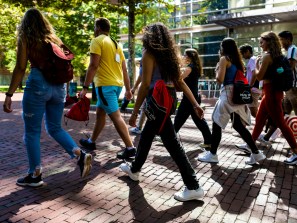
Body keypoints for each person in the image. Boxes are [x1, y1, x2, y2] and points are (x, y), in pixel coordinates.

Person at [2, 8, 92, 187]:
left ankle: (35, 174)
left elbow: (20, 68)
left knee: (32, 133)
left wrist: (9, 94)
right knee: (54, 127)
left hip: (38, 86)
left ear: (25, 24)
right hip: (58, 88)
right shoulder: (54, 39)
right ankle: (78, 154)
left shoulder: (27, 38)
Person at [119, 22, 204, 202]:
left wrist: (134, 113)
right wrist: (196, 104)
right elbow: (180, 83)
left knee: (172, 143)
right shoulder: (171, 55)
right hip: (169, 98)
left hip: (156, 99)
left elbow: (145, 84)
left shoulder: (149, 53)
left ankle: (193, 185)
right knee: (148, 135)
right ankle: (134, 169)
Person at [197, 38, 266, 165]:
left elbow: (219, 79)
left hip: (228, 94)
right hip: (237, 95)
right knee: (238, 125)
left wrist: (218, 68)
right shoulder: (238, 61)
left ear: (223, 47)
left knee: (217, 123)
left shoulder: (224, 59)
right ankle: (256, 153)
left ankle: (212, 154)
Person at [79, 17, 136, 159]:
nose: (94, 30)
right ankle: (91, 142)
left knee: (115, 116)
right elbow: (124, 70)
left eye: (94, 27)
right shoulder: (116, 44)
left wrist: (85, 87)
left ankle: (130, 148)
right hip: (117, 85)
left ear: (98, 27)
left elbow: (93, 66)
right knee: (100, 114)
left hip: (105, 86)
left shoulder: (97, 41)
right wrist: (128, 90)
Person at [251, 31, 297, 165]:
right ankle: (250, 146)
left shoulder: (267, 57)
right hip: (272, 92)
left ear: (269, 42)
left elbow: (259, 77)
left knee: (281, 123)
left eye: (262, 42)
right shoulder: (277, 56)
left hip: (271, 93)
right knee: (259, 120)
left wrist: (256, 66)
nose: (260, 44)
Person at [174, 48, 212, 150]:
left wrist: (178, 66)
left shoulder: (190, 68)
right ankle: (209, 141)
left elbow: (179, 78)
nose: (183, 57)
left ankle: (170, 137)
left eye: (185, 55)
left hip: (189, 98)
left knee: (179, 118)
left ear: (190, 57)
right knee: (198, 119)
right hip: (193, 97)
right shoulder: (195, 67)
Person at [239, 44, 262, 118]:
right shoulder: (254, 59)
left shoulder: (252, 59)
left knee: (254, 113)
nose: (242, 56)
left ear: (248, 51)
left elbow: (254, 73)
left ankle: (271, 126)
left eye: (243, 53)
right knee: (255, 111)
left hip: (253, 89)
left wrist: (250, 86)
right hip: (255, 88)